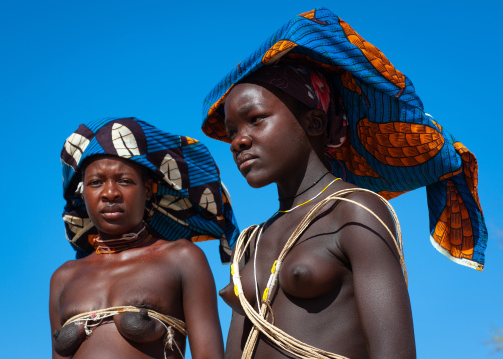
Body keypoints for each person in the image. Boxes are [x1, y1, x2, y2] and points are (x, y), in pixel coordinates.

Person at [200, 8, 487, 359]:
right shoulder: (252, 240)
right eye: (231, 133)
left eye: (256, 120)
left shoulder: (355, 211)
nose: (238, 142)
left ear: (316, 122)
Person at [50, 117, 239, 359]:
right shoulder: (64, 278)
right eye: (96, 183)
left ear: (147, 190)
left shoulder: (182, 258)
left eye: (125, 181)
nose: (110, 193)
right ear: (83, 194)